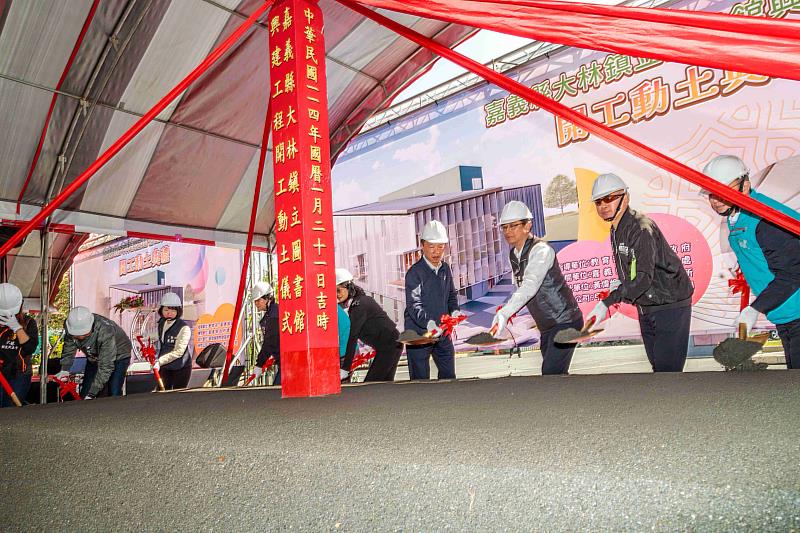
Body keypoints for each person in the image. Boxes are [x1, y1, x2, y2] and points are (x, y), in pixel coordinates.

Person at [586, 173, 694, 372]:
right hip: (647, 304)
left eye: (610, 198)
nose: (603, 205)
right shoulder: (617, 228)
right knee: (657, 366)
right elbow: (634, 268)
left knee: (667, 371)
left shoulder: (641, 228)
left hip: (669, 303)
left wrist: (607, 302)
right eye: (599, 201)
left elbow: (643, 278)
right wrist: (621, 284)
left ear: (625, 198)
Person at [701, 155, 800, 369]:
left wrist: (755, 309)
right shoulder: (736, 217)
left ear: (745, 184)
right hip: (784, 313)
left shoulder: (767, 220)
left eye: (723, 192)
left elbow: (792, 274)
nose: (716, 200)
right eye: (711, 194)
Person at [491, 201, 584, 375]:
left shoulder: (541, 250)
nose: (508, 231)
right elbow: (520, 288)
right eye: (504, 227)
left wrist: (506, 312)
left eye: (513, 226)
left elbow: (530, 284)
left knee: (551, 374)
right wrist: (507, 312)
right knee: (554, 375)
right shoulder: (514, 254)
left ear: (528, 225)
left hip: (565, 321)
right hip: (547, 325)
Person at [404, 220, 464, 380]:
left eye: (440, 247)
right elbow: (414, 305)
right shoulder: (415, 273)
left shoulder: (445, 269)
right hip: (419, 335)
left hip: (442, 332)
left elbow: (451, 295)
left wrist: (455, 310)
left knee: (449, 376)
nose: (436, 252)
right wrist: (429, 324)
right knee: (420, 380)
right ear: (422, 245)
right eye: (432, 246)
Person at [336, 267, 401, 382]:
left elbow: (353, 337)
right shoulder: (359, 301)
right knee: (384, 385)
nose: (337, 295)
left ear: (349, 287)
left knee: (371, 386)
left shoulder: (359, 305)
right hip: (391, 344)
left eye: (339, 290)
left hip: (389, 345)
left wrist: (345, 369)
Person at [56, 306, 133, 399]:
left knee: (114, 391)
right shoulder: (70, 325)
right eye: (76, 335)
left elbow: (106, 366)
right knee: (85, 392)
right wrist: (65, 368)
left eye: (83, 334)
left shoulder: (105, 331)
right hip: (93, 357)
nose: (80, 337)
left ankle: (115, 412)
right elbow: (69, 347)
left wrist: (92, 393)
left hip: (119, 355)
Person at [0, 283, 38, 407]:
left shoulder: (28, 323)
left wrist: (17, 327)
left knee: (9, 408)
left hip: (19, 374)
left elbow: (29, 348)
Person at [153, 292, 192, 389]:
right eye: (166, 310)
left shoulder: (184, 328)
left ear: (178, 311)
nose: (169, 313)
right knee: (162, 393)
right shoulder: (162, 322)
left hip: (180, 367)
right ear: (161, 310)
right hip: (165, 367)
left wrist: (160, 361)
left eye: (173, 310)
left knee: (176, 397)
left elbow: (179, 352)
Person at [250, 281, 280, 385]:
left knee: (277, 390)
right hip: (284, 362)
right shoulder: (271, 314)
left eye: (258, 300)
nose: (256, 304)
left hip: (288, 363)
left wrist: (259, 364)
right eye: (255, 301)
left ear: (268, 298)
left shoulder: (274, 315)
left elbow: (269, 342)